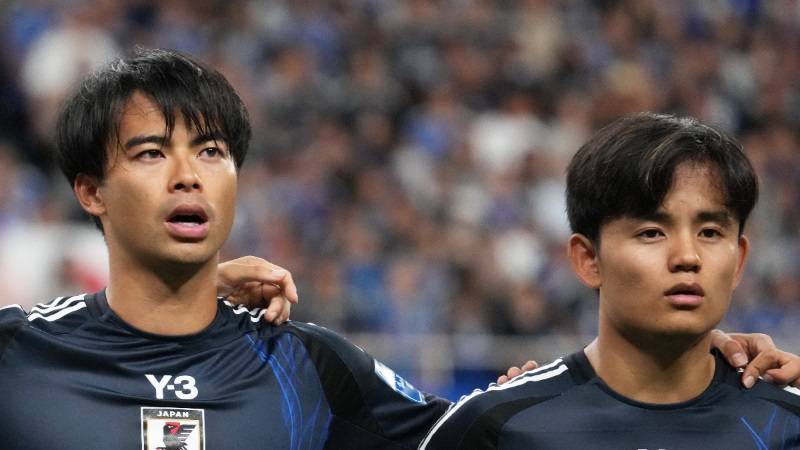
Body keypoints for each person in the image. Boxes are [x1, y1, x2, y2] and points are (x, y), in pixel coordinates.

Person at [0, 50, 794, 449]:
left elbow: (508, 427)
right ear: (89, 190)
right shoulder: (17, 356)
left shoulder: (310, 365)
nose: (187, 176)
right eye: (150, 154)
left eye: (211, 152)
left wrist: (702, 349)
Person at [419, 113, 800, 449]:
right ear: (588, 260)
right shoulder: (498, 427)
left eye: (711, 233)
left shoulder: (789, 423)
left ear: (739, 261)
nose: (687, 256)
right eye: (651, 232)